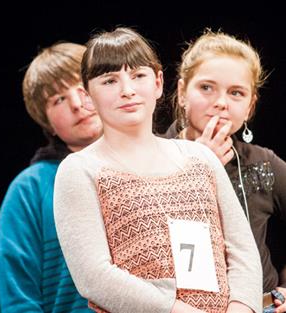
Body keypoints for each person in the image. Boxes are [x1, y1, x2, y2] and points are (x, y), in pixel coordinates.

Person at [54, 27, 262, 313]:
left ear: (158, 83)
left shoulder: (200, 158)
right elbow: (95, 277)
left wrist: (242, 308)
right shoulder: (81, 169)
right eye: (109, 80)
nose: (127, 90)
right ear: (88, 95)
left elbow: (243, 251)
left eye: (138, 76)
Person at [164, 30, 286, 311]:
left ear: (250, 106)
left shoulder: (262, 163)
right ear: (183, 93)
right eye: (206, 88)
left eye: (236, 93)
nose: (221, 102)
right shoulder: (152, 156)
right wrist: (198, 167)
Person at [0, 42, 102, 312]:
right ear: (47, 123)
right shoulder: (30, 189)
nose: (77, 104)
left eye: (81, 88)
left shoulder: (152, 163)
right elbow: (15, 296)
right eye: (58, 99)